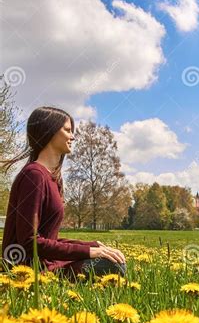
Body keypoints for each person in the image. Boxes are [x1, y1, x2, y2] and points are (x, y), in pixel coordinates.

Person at [1, 106, 126, 280]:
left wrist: (92, 246)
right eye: (67, 130)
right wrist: (89, 251)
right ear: (50, 131)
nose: (72, 136)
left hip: (48, 265)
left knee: (113, 262)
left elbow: (49, 238)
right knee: (111, 266)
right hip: (29, 271)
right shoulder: (34, 176)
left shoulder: (52, 178)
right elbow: (30, 242)